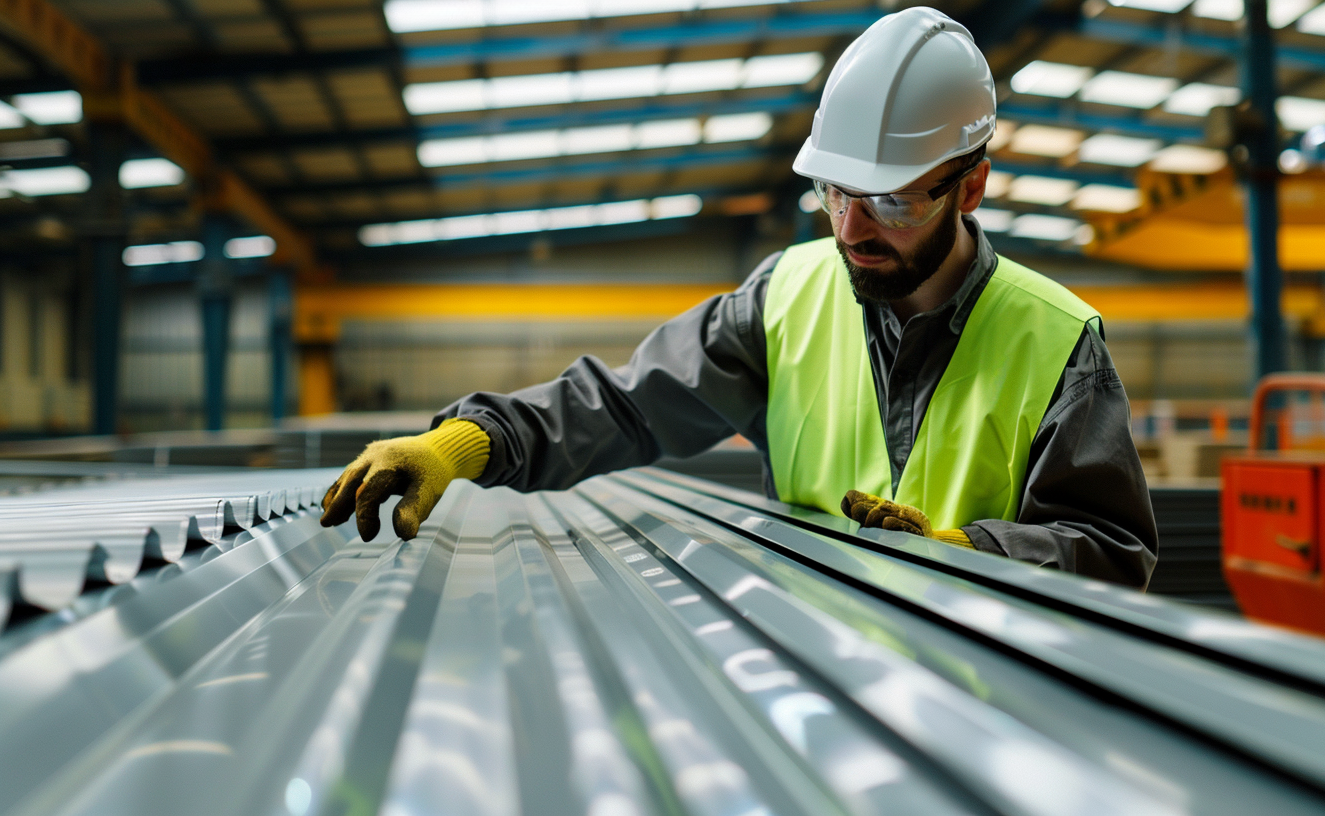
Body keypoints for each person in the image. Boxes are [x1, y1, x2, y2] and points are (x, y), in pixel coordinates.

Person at [320, 6, 1158, 588]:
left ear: (969, 187)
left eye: (893, 200)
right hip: (814, 682)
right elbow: (624, 406)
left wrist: (965, 554)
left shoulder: (1056, 343)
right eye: (835, 191)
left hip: (984, 714)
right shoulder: (786, 300)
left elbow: (1111, 553)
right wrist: (468, 443)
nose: (853, 227)